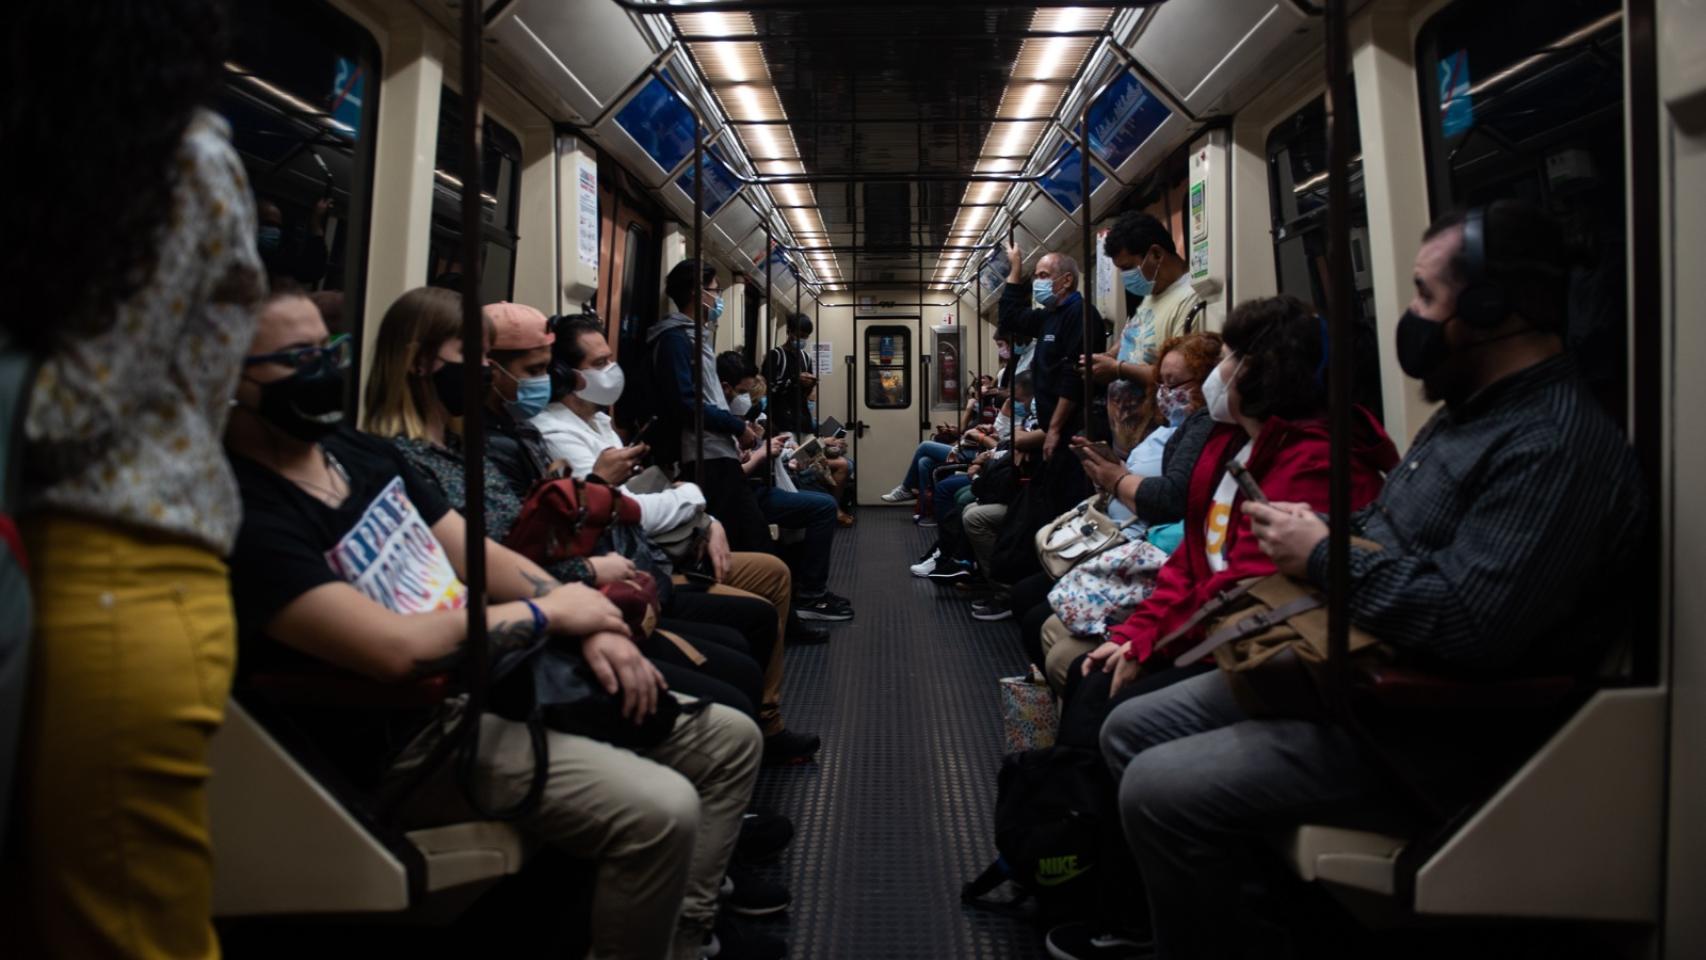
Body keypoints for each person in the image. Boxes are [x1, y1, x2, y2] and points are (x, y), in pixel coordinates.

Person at [1097, 201, 1644, 960]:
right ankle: (1225, 922)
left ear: (1488, 309)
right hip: (1358, 672)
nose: (1410, 315)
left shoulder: (1552, 447)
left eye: (1424, 295)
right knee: (1127, 726)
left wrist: (1321, 555)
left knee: (1159, 787)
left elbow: (1471, 624)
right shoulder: (1465, 419)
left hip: (1424, 729)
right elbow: (1389, 541)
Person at [226, 289, 763, 960]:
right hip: (413, 730)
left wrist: (591, 620)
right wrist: (550, 611)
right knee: (663, 810)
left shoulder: (360, 457)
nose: (323, 369)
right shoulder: (246, 512)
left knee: (731, 739)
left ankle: (686, 936)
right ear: (226, 375)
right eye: (295, 357)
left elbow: (485, 559)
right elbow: (391, 650)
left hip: (496, 672)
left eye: (326, 350)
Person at [2, 3, 264, 952]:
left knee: (119, 928)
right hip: (69, 570)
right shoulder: (98, 166)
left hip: (117, 577)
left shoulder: (180, 163)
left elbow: (70, 408)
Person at [530, 314, 828, 753]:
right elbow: (630, 510)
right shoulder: (556, 434)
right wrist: (692, 497)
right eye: (601, 362)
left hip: (658, 552)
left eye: (613, 358)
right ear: (567, 375)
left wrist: (704, 519)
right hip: (641, 566)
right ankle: (757, 729)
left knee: (772, 571)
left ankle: (767, 720)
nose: (613, 370)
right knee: (754, 618)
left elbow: (638, 493)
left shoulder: (598, 424)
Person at [718, 352, 854, 623]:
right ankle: (811, 595)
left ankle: (811, 588)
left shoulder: (741, 420)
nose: (748, 399)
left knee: (821, 497)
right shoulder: (720, 420)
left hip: (761, 484)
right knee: (823, 506)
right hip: (747, 494)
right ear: (725, 388)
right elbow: (729, 474)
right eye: (744, 392)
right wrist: (759, 454)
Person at [651, 260, 773, 554]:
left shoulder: (696, 338)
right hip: (705, 455)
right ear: (697, 292)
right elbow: (687, 404)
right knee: (752, 535)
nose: (719, 299)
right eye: (716, 291)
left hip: (718, 450)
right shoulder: (675, 340)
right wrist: (736, 426)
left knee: (747, 533)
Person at [999, 240, 1100, 519]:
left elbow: (1074, 377)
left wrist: (1054, 429)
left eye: (1043, 276)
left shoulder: (1080, 315)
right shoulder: (1049, 317)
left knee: (1062, 511)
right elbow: (1009, 318)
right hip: (1052, 433)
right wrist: (1016, 268)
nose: (1038, 283)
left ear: (1066, 280)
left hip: (1070, 435)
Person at [1085, 211, 1201, 389]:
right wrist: (1110, 356)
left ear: (1156, 254)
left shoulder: (1191, 298)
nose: (1125, 277)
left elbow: (1178, 377)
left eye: (1127, 267)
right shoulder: (1151, 293)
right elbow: (1133, 335)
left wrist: (1118, 370)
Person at [761, 312, 817, 438]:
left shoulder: (806, 358)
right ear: (789, 332)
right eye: (799, 335)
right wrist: (794, 380)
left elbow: (806, 394)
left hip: (802, 421)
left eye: (805, 337)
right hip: (781, 421)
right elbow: (768, 388)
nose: (802, 340)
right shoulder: (775, 355)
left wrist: (810, 384)